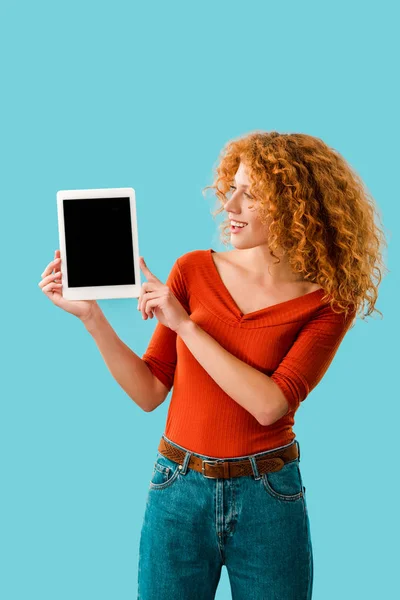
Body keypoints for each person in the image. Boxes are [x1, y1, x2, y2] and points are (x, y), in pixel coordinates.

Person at [38, 131, 387, 600]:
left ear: (297, 206)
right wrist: (92, 318)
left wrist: (187, 328)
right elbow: (148, 393)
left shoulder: (327, 303)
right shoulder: (192, 270)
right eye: (233, 189)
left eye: (252, 194)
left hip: (269, 495)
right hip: (177, 488)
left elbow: (270, 405)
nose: (231, 205)